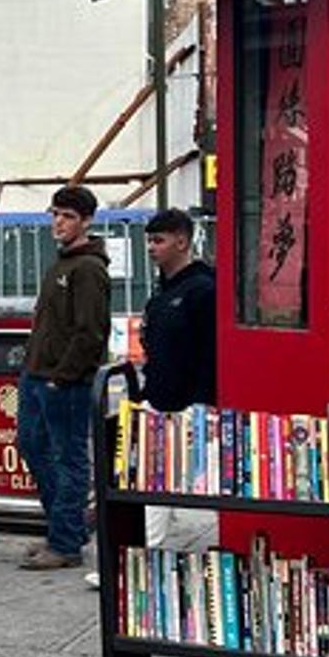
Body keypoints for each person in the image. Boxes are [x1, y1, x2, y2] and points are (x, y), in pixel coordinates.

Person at [16, 185, 111, 571]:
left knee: (68, 457)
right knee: (33, 447)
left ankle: (66, 540)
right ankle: (65, 527)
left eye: (68, 216)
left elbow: (91, 332)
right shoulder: (62, 263)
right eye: (55, 214)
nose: (58, 222)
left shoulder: (87, 268)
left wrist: (62, 376)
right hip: (38, 374)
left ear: (86, 221)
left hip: (64, 381)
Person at [133, 208, 216, 557]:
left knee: (207, 483)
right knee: (151, 483)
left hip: (192, 406)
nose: (151, 247)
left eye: (159, 240)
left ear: (182, 241)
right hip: (157, 401)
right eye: (149, 240)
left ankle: (225, 552)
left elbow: (211, 353)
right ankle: (147, 553)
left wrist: (204, 404)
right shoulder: (160, 296)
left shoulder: (203, 290)